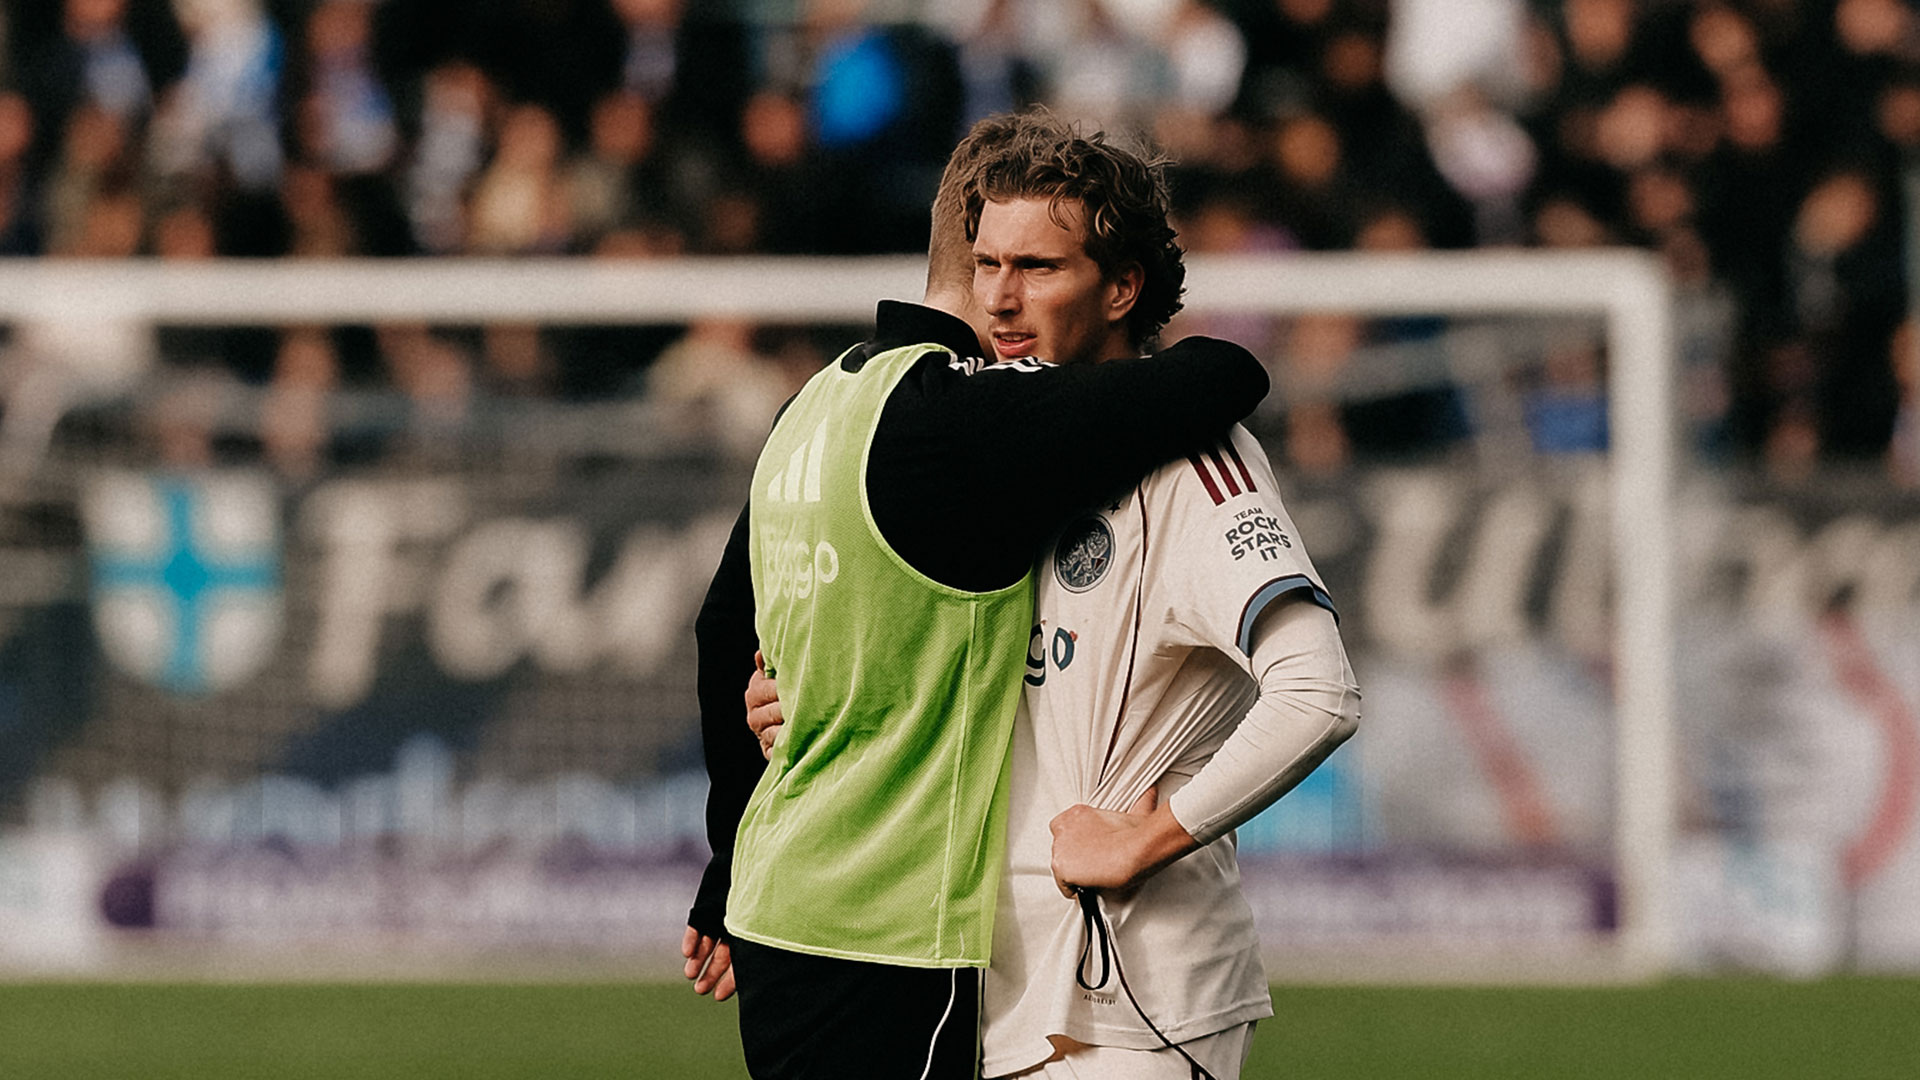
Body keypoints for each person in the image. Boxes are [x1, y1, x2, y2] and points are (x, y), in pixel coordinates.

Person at [746, 127, 1362, 1079]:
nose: (998, 297)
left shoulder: (1197, 463)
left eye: (1037, 266)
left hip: (1136, 999)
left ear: (1121, 288)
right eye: (988, 263)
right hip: (988, 984)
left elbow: (1318, 693)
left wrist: (1146, 838)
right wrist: (814, 688)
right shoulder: (998, 451)